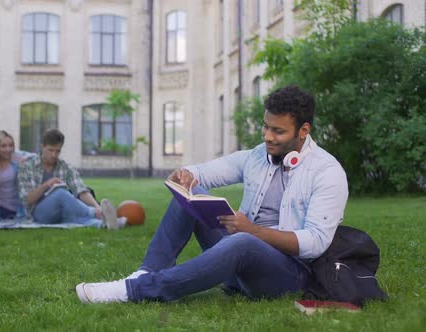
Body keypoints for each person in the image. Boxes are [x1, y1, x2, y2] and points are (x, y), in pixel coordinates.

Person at [76, 85, 349, 303]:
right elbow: (209, 171)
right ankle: (145, 272)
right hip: (240, 257)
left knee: (242, 241)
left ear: (303, 131)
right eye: (266, 127)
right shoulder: (258, 156)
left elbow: (315, 242)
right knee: (191, 192)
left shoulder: (326, 172)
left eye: (278, 131)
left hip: (288, 274)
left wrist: (253, 231)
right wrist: (187, 174)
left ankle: (135, 291)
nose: (267, 136)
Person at [17, 128, 122, 229]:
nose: (54, 155)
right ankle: (95, 213)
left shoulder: (66, 167)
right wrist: (47, 185)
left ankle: (104, 224)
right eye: (50, 150)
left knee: (76, 215)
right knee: (60, 193)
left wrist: (97, 206)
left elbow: (81, 190)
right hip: (38, 214)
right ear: (42, 147)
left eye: (57, 151)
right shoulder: (27, 167)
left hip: (62, 212)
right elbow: (27, 200)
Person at [0, 130, 35, 220]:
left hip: (19, 209)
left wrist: (25, 159)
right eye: (3, 146)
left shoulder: (16, 156)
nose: (8, 149)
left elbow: (37, 157)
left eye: (11, 145)